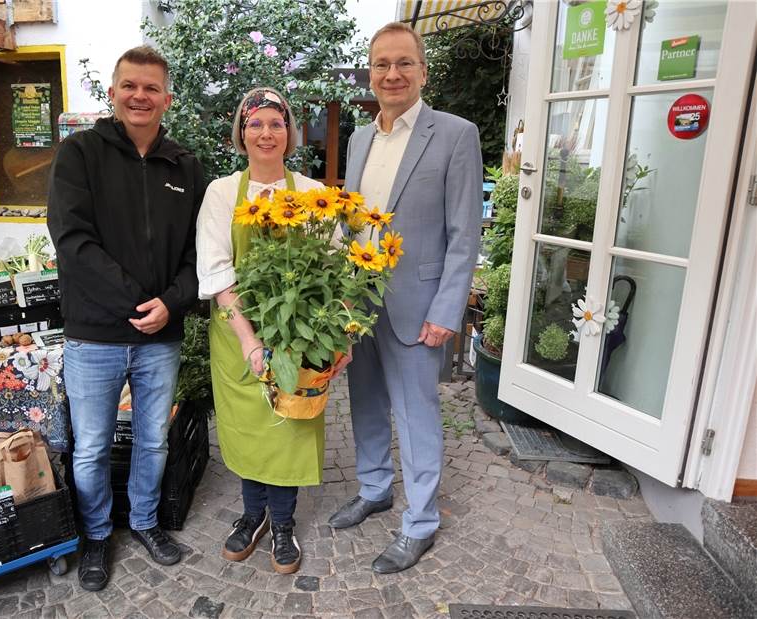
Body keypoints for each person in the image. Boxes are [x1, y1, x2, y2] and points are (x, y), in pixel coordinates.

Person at [47, 45, 204, 591]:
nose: (141, 96)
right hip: (94, 335)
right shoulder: (79, 154)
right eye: (130, 86)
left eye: (152, 88)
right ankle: (95, 535)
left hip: (162, 333)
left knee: (154, 441)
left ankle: (143, 522)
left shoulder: (185, 165)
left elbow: (196, 253)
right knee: (89, 446)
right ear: (113, 92)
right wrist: (136, 301)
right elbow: (73, 241)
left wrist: (173, 302)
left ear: (167, 99)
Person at [328, 22, 483, 574]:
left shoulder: (456, 134)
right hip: (361, 300)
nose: (391, 75)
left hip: (419, 307)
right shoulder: (360, 139)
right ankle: (375, 489)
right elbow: (351, 223)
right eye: (381, 65)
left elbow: (466, 234)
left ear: (422, 70)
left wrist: (447, 311)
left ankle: (420, 522)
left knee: (417, 416)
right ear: (370, 73)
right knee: (365, 403)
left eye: (403, 64)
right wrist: (338, 296)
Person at [196, 88, 333, 575]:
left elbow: (334, 269)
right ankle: (252, 515)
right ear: (241, 134)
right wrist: (251, 339)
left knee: (290, 426)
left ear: (290, 132)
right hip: (237, 335)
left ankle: (283, 524)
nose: (266, 132)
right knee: (248, 431)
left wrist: (343, 338)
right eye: (255, 124)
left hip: (299, 336)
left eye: (276, 123)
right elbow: (215, 271)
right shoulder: (220, 192)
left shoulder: (314, 194)